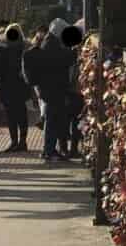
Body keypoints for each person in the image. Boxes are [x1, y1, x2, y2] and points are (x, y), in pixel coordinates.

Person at [23, 20, 83, 161]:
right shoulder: (52, 45)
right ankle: (48, 151)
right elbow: (62, 60)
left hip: (49, 89)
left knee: (53, 119)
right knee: (52, 120)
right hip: (53, 89)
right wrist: (74, 53)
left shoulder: (48, 42)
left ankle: (50, 150)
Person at [0, 24, 32, 151]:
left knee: (11, 115)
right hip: (21, 86)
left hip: (7, 86)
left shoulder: (1, 49)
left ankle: (14, 141)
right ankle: (23, 141)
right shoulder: (25, 48)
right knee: (22, 113)